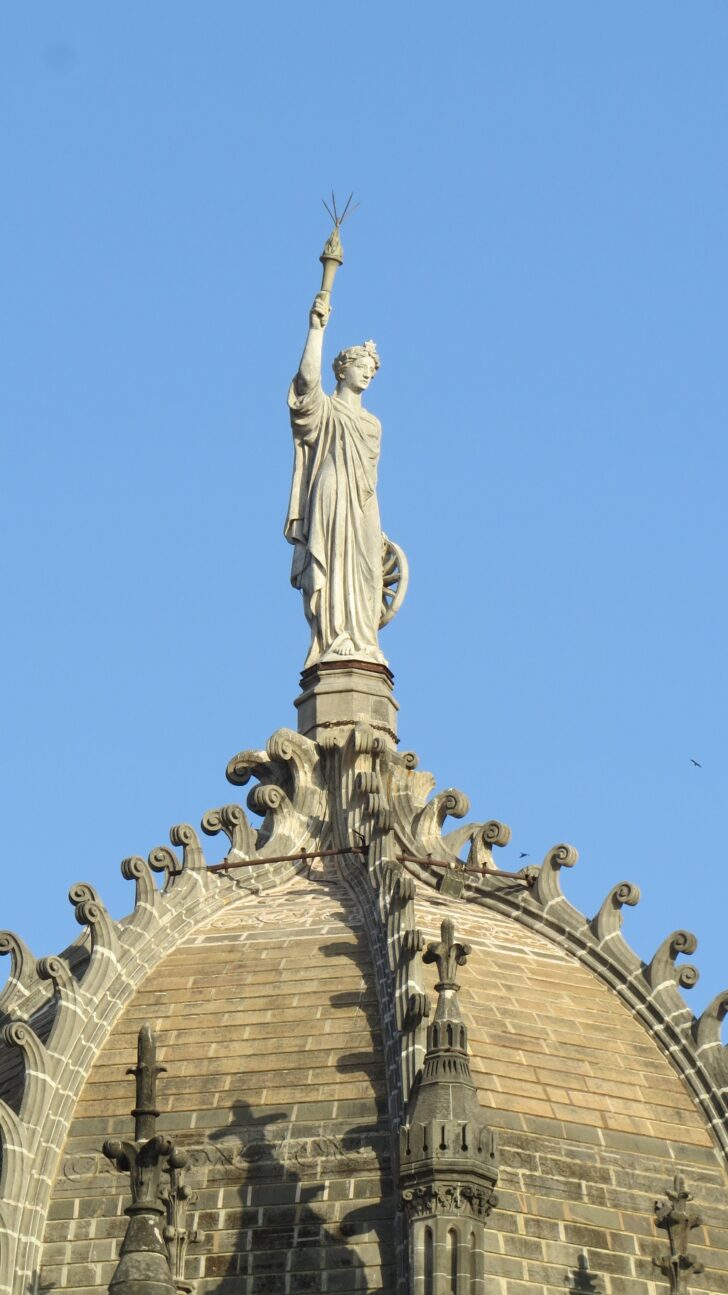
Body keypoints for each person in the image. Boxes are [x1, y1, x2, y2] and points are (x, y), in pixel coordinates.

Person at [285, 292, 387, 668]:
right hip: (332, 492)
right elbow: (305, 384)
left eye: (372, 369)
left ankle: (364, 637)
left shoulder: (373, 425)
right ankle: (335, 634)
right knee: (333, 559)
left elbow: (370, 479)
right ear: (342, 370)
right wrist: (316, 329)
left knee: (366, 570)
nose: (367, 372)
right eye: (361, 365)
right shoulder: (326, 409)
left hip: (364, 502)